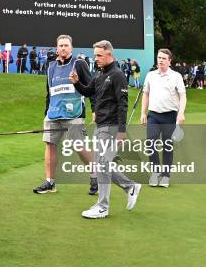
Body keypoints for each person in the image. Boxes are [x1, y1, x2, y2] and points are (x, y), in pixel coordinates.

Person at [70, 40, 141, 219]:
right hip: (101, 125)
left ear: (109, 54)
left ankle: (103, 206)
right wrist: (77, 83)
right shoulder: (99, 75)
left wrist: (122, 131)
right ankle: (130, 186)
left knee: (102, 164)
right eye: (95, 56)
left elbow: (123, 105)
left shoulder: (117, 75)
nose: (97, 59)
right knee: (103, 164)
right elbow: (88, 92)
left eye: (99, 55)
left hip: (111, 126)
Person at [33, 35, 98, 195]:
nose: (63, 48)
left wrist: (94, 109)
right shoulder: (51, 67)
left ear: (71, 48)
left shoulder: (79, 64)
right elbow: (49, 92)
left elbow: (91, 87)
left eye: (66, 45)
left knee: (79, 147)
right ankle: (50, 182)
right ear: (56, 48)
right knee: (50, 146)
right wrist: (46, 112)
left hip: (74, 113)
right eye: (60, 45)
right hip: (53, 114)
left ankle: (95, 175)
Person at [140, 49, 187, 188]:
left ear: (169, 61)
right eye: (159, 57)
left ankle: (165, 176)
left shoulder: (176, 76)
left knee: (167, 146)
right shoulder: (150, 75)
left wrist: (181, 113)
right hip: (153, 115)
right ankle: (155, 173)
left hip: (170, 115)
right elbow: (146, 94)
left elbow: (183, 96)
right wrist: (143, 113)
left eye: (164, 58)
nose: (160, 60)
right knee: (150, 142)